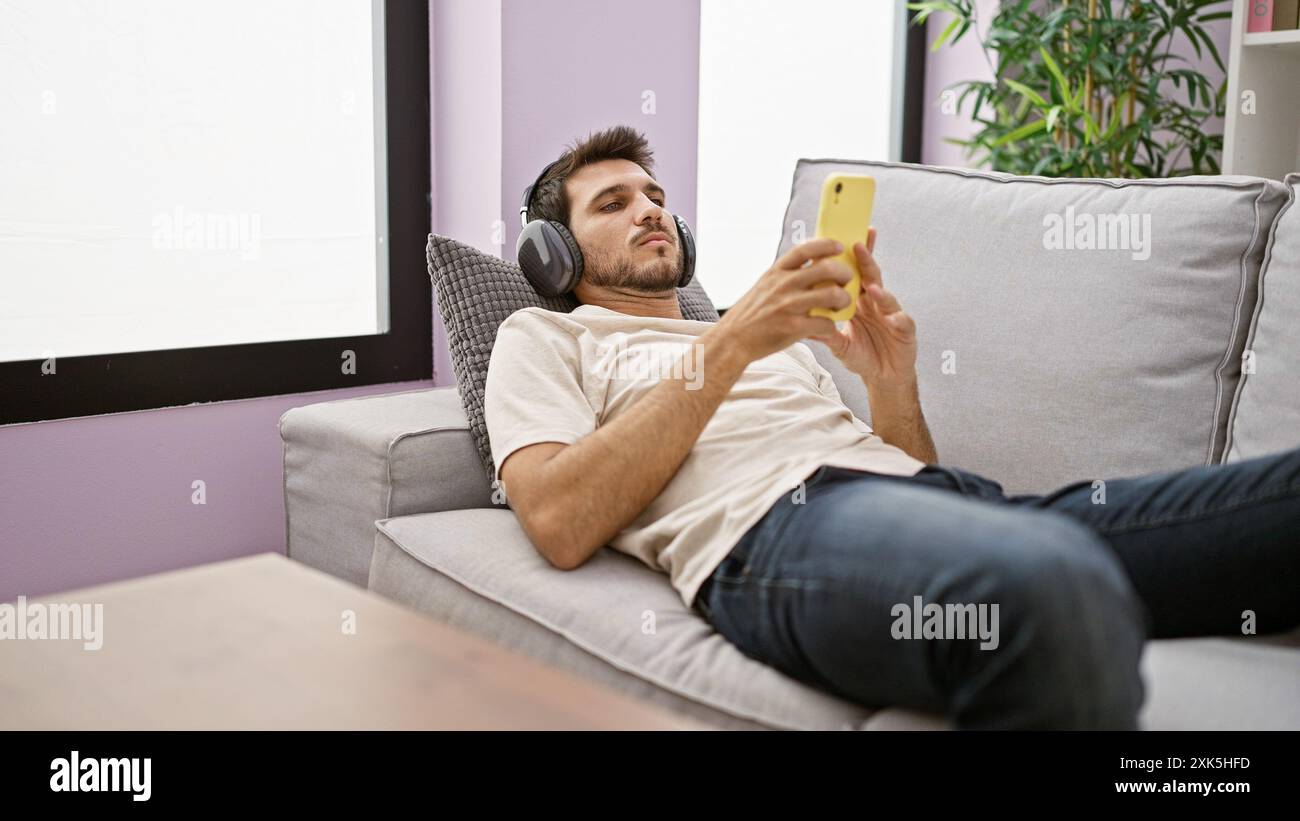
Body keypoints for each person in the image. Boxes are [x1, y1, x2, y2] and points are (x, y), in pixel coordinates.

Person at [485, 125, 1300, 729]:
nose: (651, 213)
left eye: (657, 197)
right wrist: (732, 342)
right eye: (614, 203)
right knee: (1050, 585)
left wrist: (890, 383)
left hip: (954, 504)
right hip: (769, 534)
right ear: (553, 252)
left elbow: (910, 482)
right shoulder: (549, 338)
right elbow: (557, 518)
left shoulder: (770, 341)